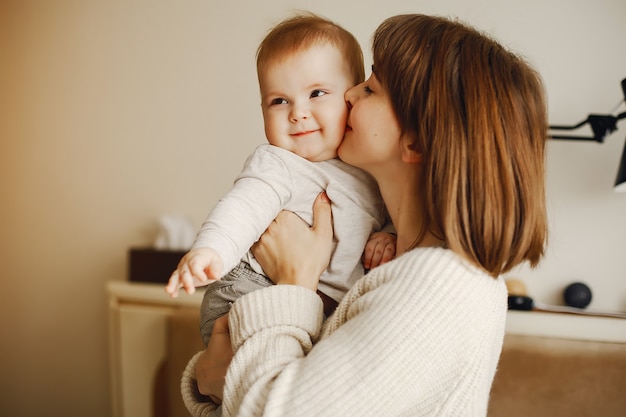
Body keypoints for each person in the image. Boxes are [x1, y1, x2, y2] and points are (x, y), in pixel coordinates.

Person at [182, 13, 548, 417]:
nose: (351, 93)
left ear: (416, 140)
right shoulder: (402, 268)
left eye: (371, 88)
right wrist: (210, 375)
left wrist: (296, 282)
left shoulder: (440, 289)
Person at [165, 14, 395, 347]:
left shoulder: (370, 167)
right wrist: (210, 250)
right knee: (260, 372)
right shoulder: (279, 163)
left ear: (351, 96)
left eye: (317, 93)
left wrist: (387, 235)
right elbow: (242, 208)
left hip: (322, 307)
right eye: (279, 101)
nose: (297, 112)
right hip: (252, 288)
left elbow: (390, 213)